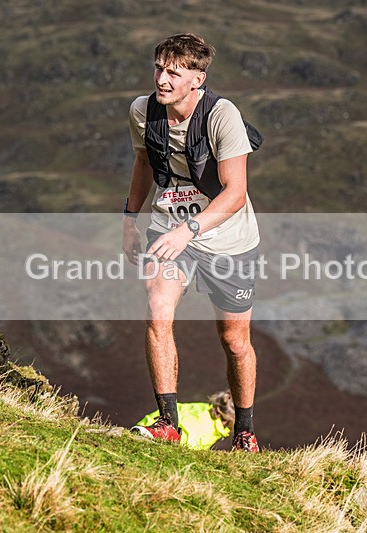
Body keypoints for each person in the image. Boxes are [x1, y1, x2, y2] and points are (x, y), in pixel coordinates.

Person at [123, 33, 261, 452]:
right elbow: (145, 161)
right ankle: (167, 421)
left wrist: (191, 230)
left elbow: (235, 194)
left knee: (235, 341)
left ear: (196, 80)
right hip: (169, 225)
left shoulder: (222, 116)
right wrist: (130, 219)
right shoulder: (143, 111)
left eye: (173, 72)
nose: (162, 79)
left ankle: (245, 433)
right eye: (159, 68)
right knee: (156, 310)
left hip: (227, 238)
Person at [133, 390, 235, 450]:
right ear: (230, 419)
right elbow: (186, 446)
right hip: (153, 439)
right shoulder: (207, 430)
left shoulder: (204, 408)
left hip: (147, 425)